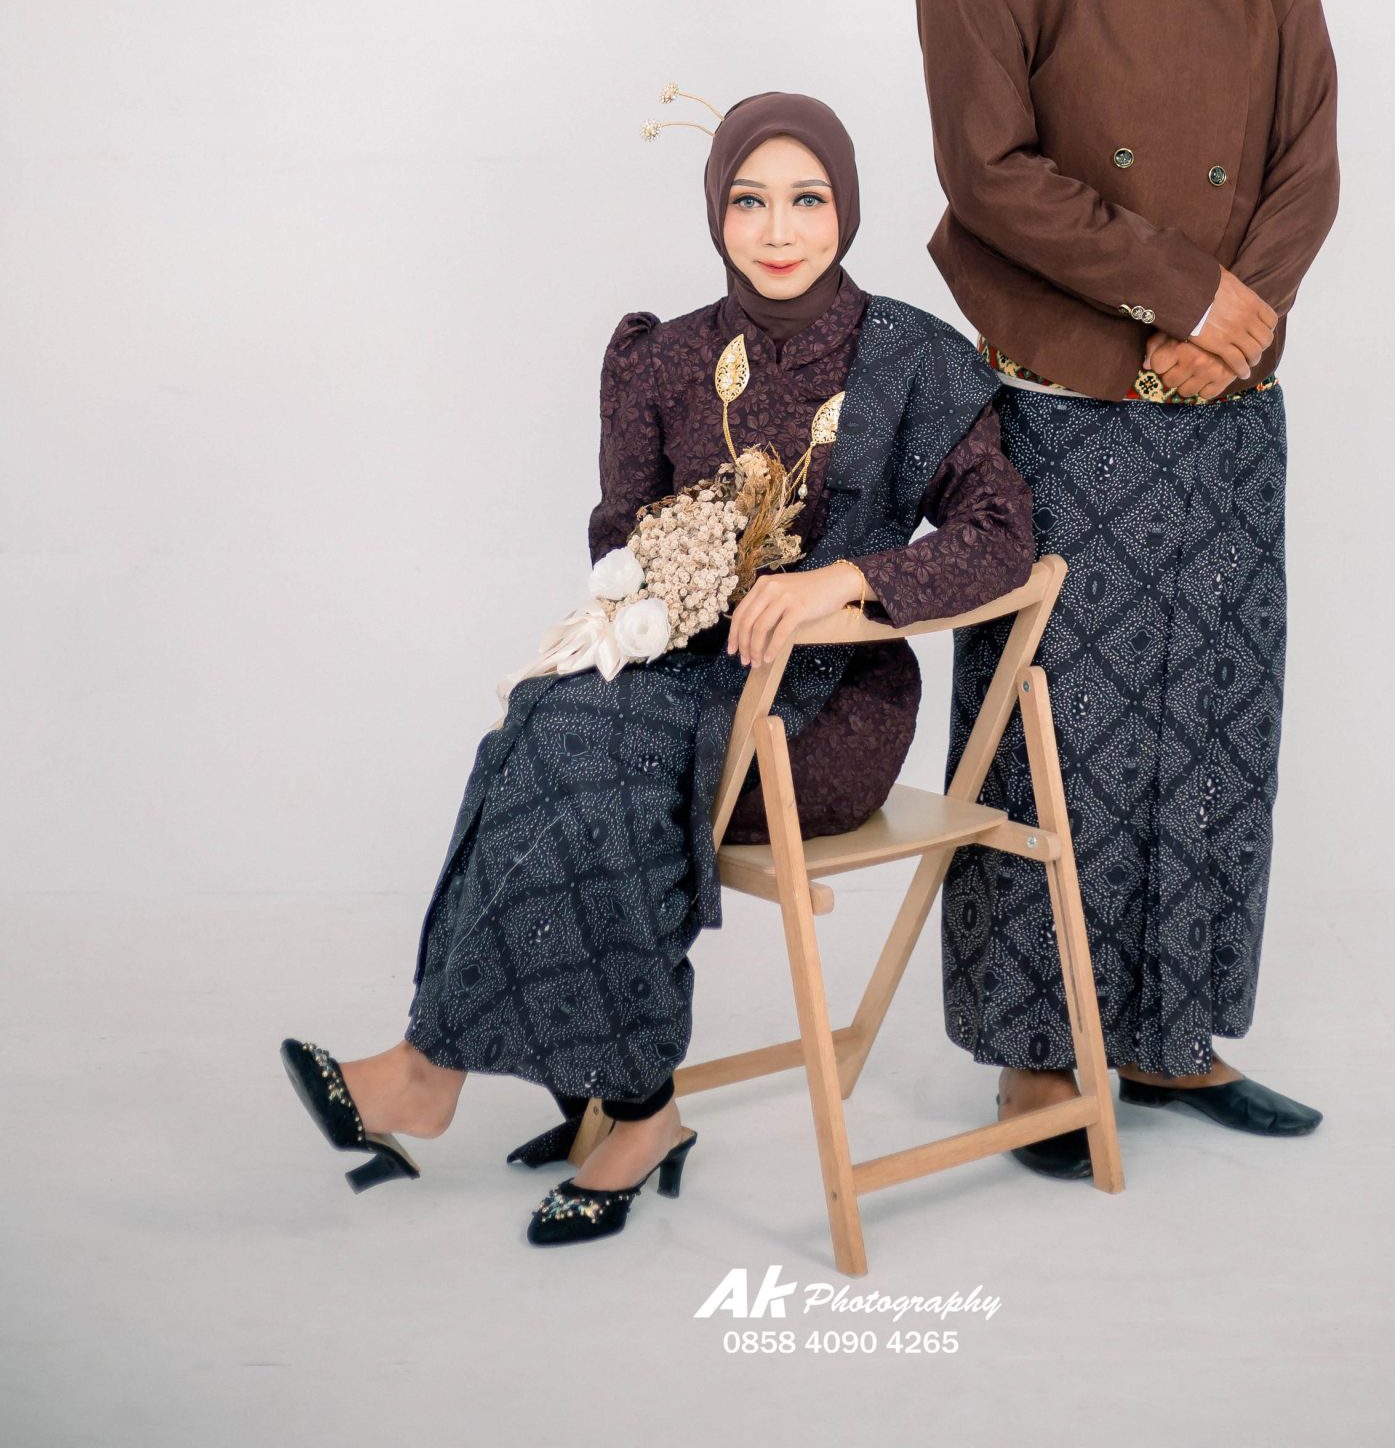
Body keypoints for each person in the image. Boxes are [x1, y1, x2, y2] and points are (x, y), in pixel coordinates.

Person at [280, 91, 1034, 1244]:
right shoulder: (665, 357)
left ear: (846, 206)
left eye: (807, 200)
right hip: (681, 673)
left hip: (827, 711)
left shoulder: (913, 359)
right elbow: (616, 541)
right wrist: (682, 561)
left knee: (600, 745)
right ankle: (594, 1098)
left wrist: (841, 580)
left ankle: (542, 1091)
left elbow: (1001, 535)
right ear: (716, 211)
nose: (777, 230)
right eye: (749, 201)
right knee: (546, 720)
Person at [912, 0, 1339, 1175]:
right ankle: (1037, 1060)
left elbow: (1303, 172)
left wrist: (1234, 323)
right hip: (1065, 407)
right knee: (1053, 730)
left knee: (1214, 724)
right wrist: (1180, 300)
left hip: (1229, 406)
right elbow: (991, 177)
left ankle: (1168, 1037)